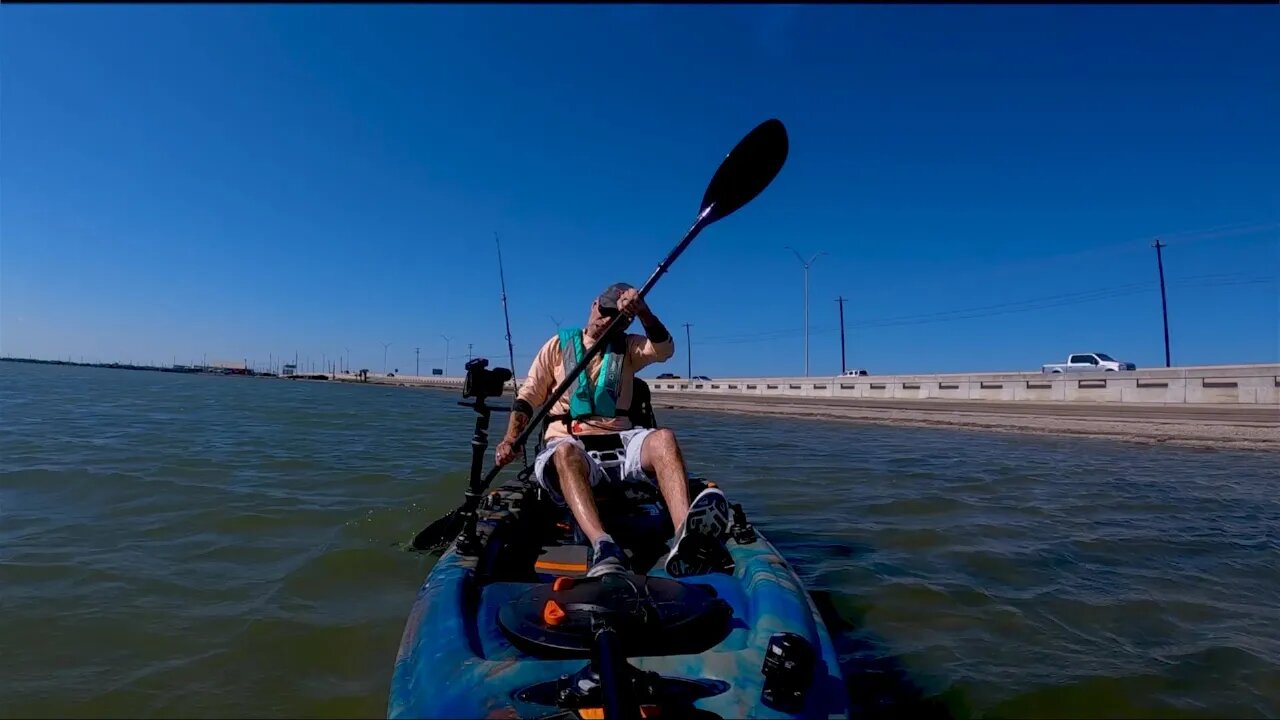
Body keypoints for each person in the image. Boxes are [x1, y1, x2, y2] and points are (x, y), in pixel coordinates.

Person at [495, 282, 731, 578]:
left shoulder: (628, 346)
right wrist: (510, 438)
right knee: (565, 452)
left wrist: (644, 312)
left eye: (618, 317)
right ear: (594, 304)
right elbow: (528, 397)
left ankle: (685, 535)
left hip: (622, 440)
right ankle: (603, 546)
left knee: (664, 438)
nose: (607, 320)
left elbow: (664, 348)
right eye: (605, 311)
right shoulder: (557, 345)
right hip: (570, 441)